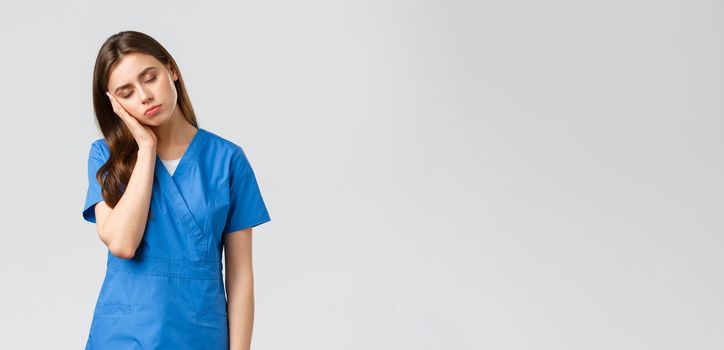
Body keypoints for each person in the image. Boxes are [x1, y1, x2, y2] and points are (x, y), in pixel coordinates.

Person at [82, 30, 271, 349]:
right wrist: (146, 148)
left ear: (171, 70)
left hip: (198, 333)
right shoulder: (105, 157)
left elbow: (240, 278)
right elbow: (123, 244)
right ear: (114, 105)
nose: (144, 96)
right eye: (126, 92)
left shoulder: (227, 160)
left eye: (149, 77)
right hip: (122, 335)